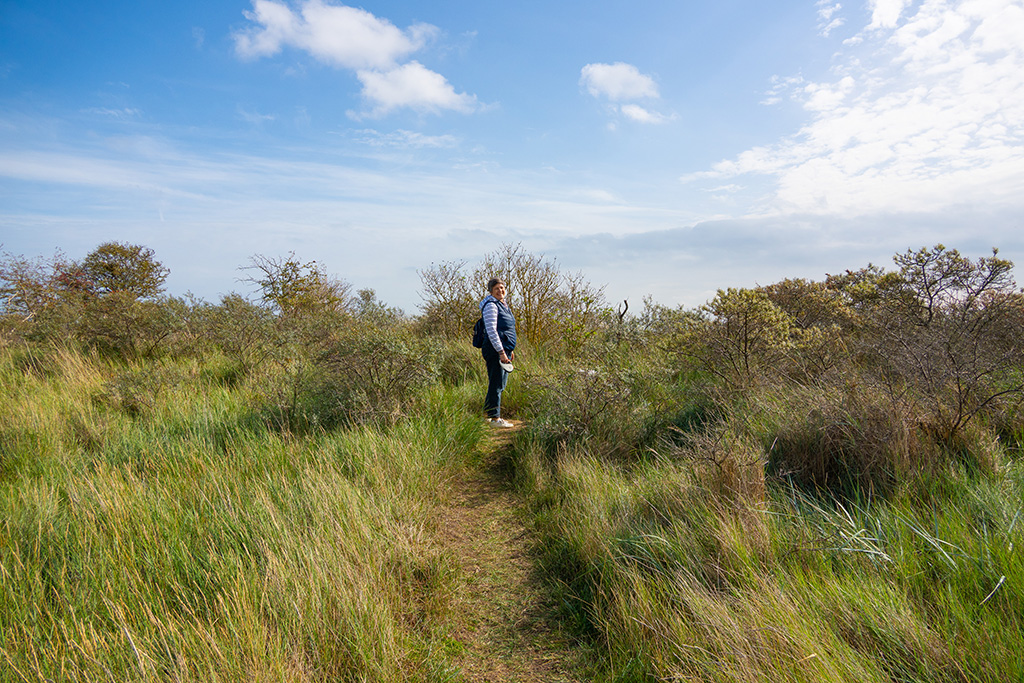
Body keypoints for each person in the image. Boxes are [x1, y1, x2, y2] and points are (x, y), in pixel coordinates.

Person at [479, 277, 517, 427]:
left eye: (502, 288)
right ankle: (495, 419)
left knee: (499, 383)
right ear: (491, 291)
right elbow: (492, 331)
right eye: (496, 289)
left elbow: (507, 329)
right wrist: (501, 352)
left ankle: (487, 415)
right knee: (497, 383)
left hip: (504, 350)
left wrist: (510, 349)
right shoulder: (491, 306)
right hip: (495, 350)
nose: (500, 291)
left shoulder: (503, 305)